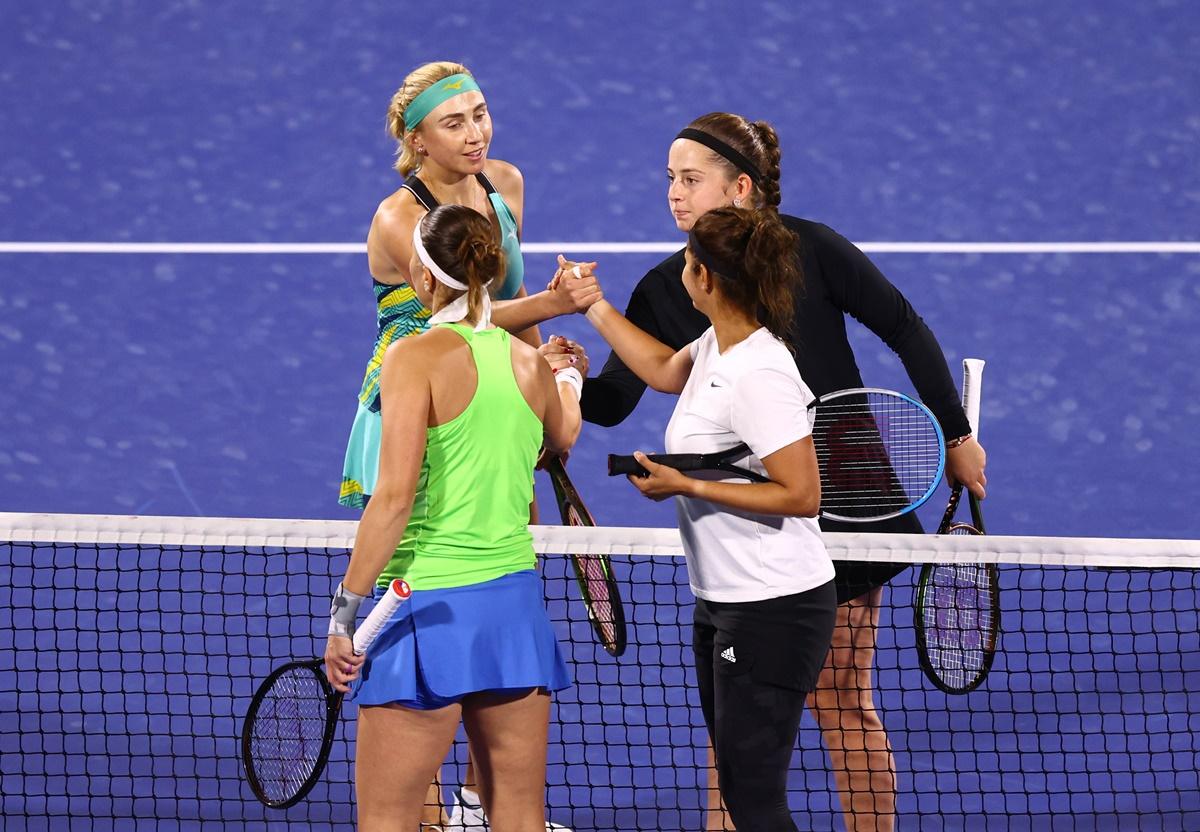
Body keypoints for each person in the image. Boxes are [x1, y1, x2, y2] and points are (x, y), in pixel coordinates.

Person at [569, 113, 989, 831]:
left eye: (691, 179)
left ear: (741, 187)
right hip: (748, 519)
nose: (674, 194)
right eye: (669, 178)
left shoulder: (812, 250)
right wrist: (571, 377)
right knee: (735, 724)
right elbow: (621, 396)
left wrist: (955, 432)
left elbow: (904, 325)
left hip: (849, 495)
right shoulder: (676, 284)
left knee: (840, 699)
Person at [338, 61, 593, 830]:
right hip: (417, 391)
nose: (476, 133)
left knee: (477, 547)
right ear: (415, 140)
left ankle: (476, 804)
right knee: (418, 537)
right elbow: (443, 321)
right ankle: (429, 810)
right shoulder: (396, 218)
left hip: (493, 375)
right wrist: (544, 371)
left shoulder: (504, 184)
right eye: (455, 122)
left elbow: (486, 301)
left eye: (481, 114)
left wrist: (538, 373)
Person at [582, 205, 839, 831]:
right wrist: (591, 306)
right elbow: (666, 371)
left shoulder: (760, 373)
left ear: (706, 279)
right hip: (724, 598)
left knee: (753, 797)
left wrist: (687, 485)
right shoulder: (718, 343)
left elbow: (803, 494)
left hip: (773, 604)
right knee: (737, 781)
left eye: (689, 263)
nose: (682, 271)